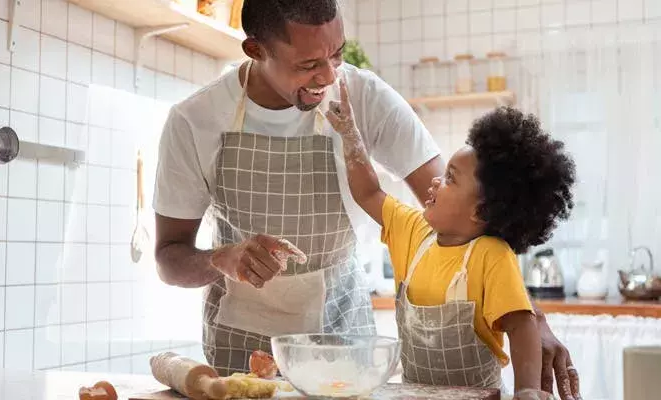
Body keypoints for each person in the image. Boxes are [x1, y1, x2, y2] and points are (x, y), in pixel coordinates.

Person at [152, 0, 581, 398]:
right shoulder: (195, 121)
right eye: (308, 64)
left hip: (346, 354)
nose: (328, 76)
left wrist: (528, 319)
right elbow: (169, 258)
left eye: (336, 55)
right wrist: (221, 259)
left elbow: (473, 220)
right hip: (238, 356)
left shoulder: (365, 98)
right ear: (256, 49)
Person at [326, 80, 576, 396]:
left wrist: (525, 390)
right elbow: (368, 192)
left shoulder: (491, 255)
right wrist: (350, 135)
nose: (434, 182)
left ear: (480, 210)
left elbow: (521, 323)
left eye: (449, 179)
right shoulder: (413, 230)